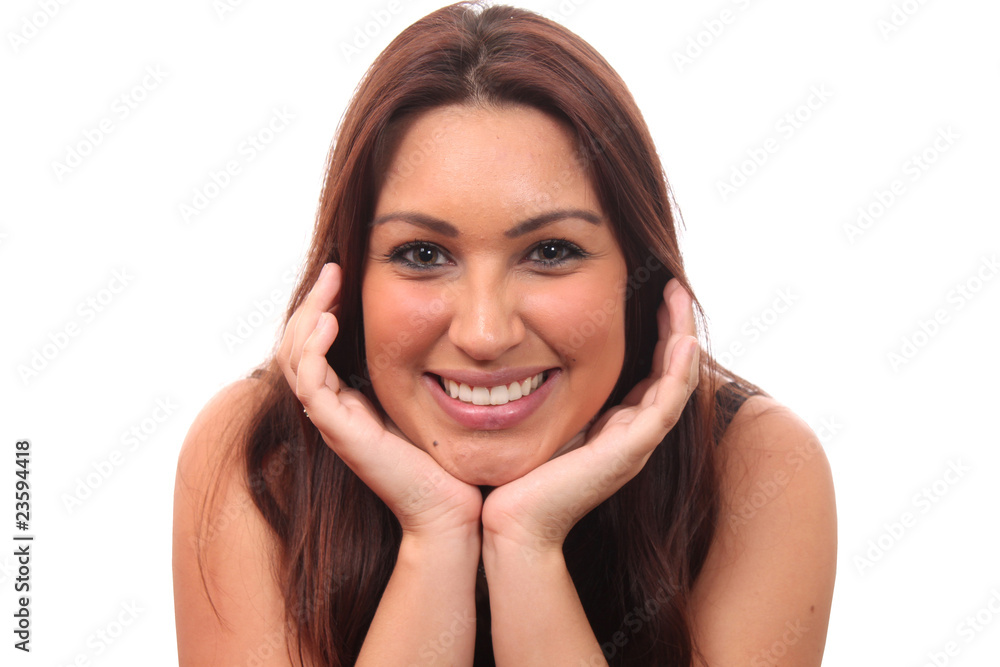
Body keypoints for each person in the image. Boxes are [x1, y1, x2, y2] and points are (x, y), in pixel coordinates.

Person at [172, 2, 837, 665]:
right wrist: (435, 534)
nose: (485, 334)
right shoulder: (258, 454)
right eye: (423, 254)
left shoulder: (755, 464)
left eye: (550, 252)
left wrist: (526, 544)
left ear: (638, 273)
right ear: (347, 280)